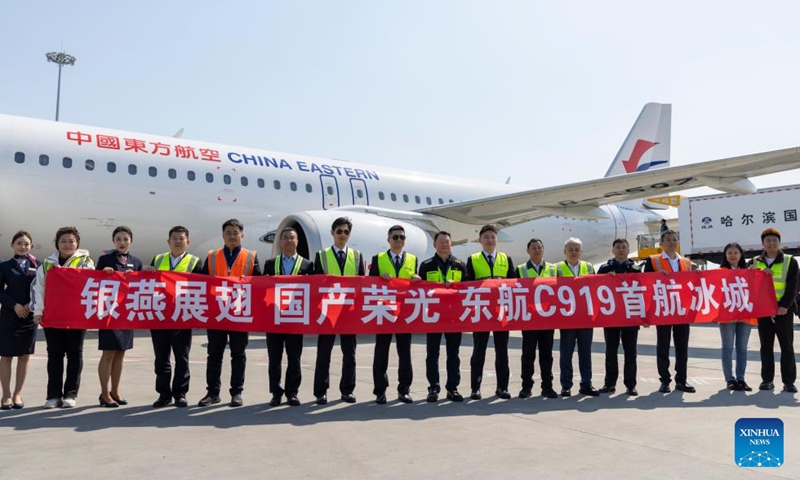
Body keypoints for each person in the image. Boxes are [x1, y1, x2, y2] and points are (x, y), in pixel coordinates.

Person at [198, 219, 261, 407]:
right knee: (214, 354)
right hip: (217, 313)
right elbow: (202, 282)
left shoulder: (250, 256)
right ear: (223, 236)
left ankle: (236, 392)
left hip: (239, 313)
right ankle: (212, 393)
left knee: (238, 354)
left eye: (236, 233)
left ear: (242, 235)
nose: (232, 236)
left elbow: (257, 284)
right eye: (228, 233)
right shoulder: (212, 256)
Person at [31, 227, 94, 408]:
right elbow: (38, 288)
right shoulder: (46, 264)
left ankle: (70, 394)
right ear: (57, 244)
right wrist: (37, 312)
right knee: (55, 356)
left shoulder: (86, 261)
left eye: (71, 241)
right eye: (63, 241)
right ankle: (53, 395)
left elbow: (89, 282)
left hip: (76, 317)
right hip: (53, 316)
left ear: (77, 243)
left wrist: (64, 273)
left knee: (75, 355)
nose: (68, 245)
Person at [144, 226, 203, 408]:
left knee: (182, 358)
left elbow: (202, 288)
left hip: (183, 316)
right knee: (161, 359)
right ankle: (163, 394)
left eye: (181, 238)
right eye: (174, 238)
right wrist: (145, 270)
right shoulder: (158, 259)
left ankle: (180, 393)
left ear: (188, 242)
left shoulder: (195, 262)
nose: (178, 241)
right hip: (160, 316)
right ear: (168, 241)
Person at [313, 217, 364, 405]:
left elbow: (361, 284)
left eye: (346, 232)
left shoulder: (357, 256)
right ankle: (320, 392)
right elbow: (315, 285)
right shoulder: (321, 256)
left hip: (349, 312)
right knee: (323, 353)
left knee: (349, 354)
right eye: (339, 231)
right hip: (328, 311)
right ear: (332, 233)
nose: (342, 235)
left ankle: (347, 390)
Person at [369, 225, 420, 404]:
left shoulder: (413, 259)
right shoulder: (378, 259)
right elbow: (369, 284)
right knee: (381, 353)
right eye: (395, 237)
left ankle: (404, 390)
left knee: (404, 353)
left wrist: (416, 279)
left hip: (405, 313)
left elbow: (415, 283)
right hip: (384, 311)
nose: (399, 240)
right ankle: (380, 391)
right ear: (388, 240)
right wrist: (378, 277)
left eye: (402, 238)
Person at [465, 224, 516, 400]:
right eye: (486, 237)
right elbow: (466, 284)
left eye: (493, 237)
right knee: (479, 351)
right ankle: (475, 388)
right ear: (480, 240)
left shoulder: (505, 259)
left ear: (497, 240)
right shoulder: (473, 259)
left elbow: (515, 284)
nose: (490, 240)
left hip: (501, 312)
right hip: (482, 312)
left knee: (502, 352)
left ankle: (502, 387)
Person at [263, 227, 313, 407]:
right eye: (285, 238)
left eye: (292, 238)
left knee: (294, 358)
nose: (289, 241)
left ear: (297, 241)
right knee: (274, 358)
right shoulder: (270, 264)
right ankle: (275, 393)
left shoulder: (307, 265)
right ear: (280, 241)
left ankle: (292, 392)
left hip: (295, 318)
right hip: (274, 318)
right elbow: (262, 290)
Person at [95, 226, 142, 408]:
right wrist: (103, 274)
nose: (122, 243)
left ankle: (115, 390)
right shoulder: (105, 259)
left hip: (126, 312)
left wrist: (139, 274)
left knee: (121, 354)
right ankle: (104, 393)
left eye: (125, 239)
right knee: (108, 353)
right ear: (113, 241)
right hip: (109, 311)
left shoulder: (136, 261)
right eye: (118, 239)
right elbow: (92, 282)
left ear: (131, 241)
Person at [417, 231, 467, 402]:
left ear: (451, 244)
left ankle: (452, 388)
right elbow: (418, 290)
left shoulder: (460, 265)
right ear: (434, 245)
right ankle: (433, 388)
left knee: (453, 353)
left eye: (447, 241)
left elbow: (468, 289)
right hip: (434, 316)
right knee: (432, 353)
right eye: (441, 242)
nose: (444, 244)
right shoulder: (426, 265)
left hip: (454, 317)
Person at [645, 229, 695, 393]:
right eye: (668, 239)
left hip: (681, 310)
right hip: (663, 309)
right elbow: (644, 284)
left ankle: (682, 380)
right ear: (661, 243)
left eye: (675, 239)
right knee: (663, 346)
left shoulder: (687, 262)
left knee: (682, 347)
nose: (672, 242)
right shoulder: (653, 261)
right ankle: (665, 380)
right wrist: (657, 276)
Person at [751, 228, 798, 393]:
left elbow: (793, 287)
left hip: (783, 311)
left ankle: (789, 382)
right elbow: (749, 284)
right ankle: (767, 380)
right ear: (763, 244)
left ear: (779, 243)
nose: (771, 243)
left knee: (787, 346)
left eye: (774, 241)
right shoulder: (755, 261)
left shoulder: (790, 261)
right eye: (768, 241)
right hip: (763, 311)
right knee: (766, 346)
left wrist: (784, 306)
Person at [596, 238, 640, 396]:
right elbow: (595, 290)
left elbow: (644, 291)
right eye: (618, 247)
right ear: (613, 250)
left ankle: (630, 384)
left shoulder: (635, 269)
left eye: (624, 247)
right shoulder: (604, 268)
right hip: (611, 317)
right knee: (611, 351)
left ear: (628, 250)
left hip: (630, 317)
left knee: (630, 352)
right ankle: (610, 383)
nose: (621, 250)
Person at [0, 231, 39, 410]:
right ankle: (6, 395)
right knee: (6, 356)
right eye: (19, 243)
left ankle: (17, 394)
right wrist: (14, 305)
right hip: (10, 315)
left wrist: (31, 305)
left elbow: (42, 289)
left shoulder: (37, 265)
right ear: (12, 245)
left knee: (24, 357)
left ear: (31, 246)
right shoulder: (4, 266)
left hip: (29, 317)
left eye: (26, 244)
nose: (23, 246)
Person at [516, 238, 559, 399]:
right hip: (529, 320)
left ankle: (547, 386)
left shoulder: (553, 269)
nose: (536, 250)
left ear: (544, 250)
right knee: (528, 355)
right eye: (533, 248)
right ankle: (526, 387)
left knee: (547, 355)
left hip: (547, 320)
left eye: (539, 247)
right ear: (528, 251)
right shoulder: (520, 269)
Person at [557, 237, 599, 397]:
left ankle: (586, 384)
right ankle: (566, 385)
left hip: (585, 317)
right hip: (567, 318)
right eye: (570, 249)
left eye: (576, 250)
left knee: (585, 352)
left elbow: (597, 288)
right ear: (565, 252)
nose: (573, 252)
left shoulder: (588, 267)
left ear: (581, 252)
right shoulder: (558, 268)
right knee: (566, 353)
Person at [717, 242, 755, 392]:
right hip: (727, 315)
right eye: (729, 253)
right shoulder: (719, 272)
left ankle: (741, 378)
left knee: (742, 349)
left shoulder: (749, 271)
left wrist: (758, 272)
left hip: (745, 314)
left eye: (735, 253)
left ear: (741, 255)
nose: (732, 256)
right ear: (725, 256)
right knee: (727, 348)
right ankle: (729, 379)